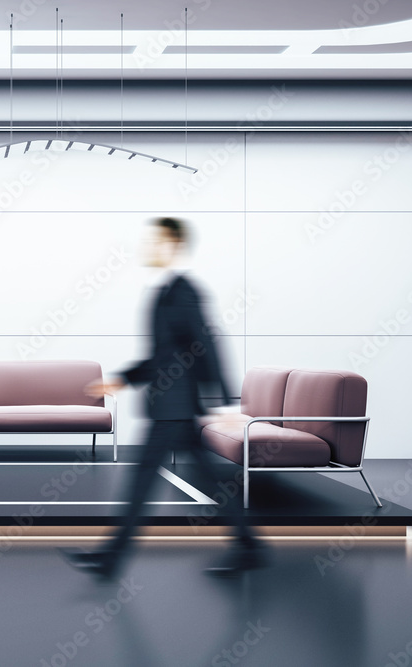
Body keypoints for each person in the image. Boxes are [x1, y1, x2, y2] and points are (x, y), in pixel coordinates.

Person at [62, 217, 267, 580]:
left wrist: (223, 404)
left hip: (175, 407)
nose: (147, 247)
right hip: (173, 406)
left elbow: (207, 344)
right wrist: (123, 379)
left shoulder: (183, 291)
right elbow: (164, 356)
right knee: (207, 479)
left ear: (173, 245)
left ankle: (110, 559)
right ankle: (250, 546)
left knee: (142, 480)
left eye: (155, 241)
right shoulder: (162, 293)